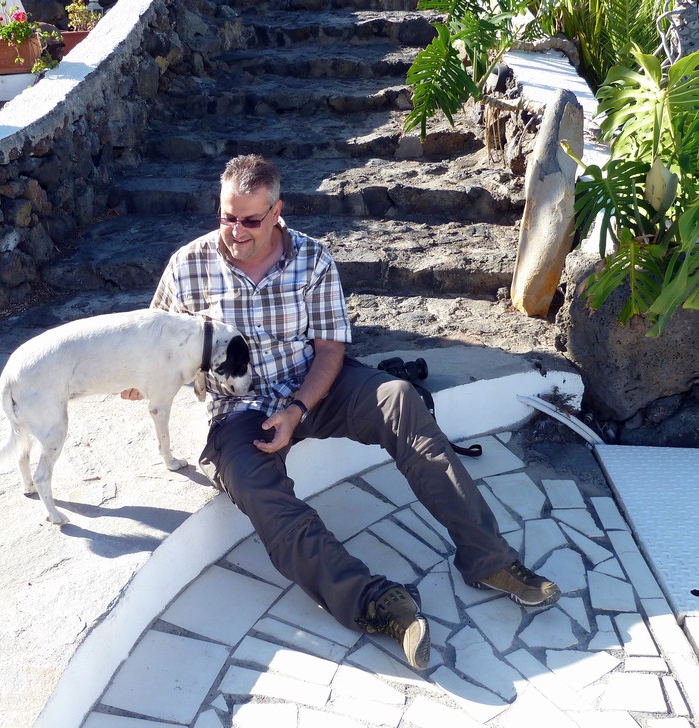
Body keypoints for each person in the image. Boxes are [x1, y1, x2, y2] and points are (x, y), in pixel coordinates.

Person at [129, 154, 560, 670]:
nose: (235, 231)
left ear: (276, 212)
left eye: (249, 220)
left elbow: (331, 350)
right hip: (239, 409)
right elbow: (150, 341)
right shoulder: (188, 265)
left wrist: (296, 408)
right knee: (257, 490)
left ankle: (488, 559)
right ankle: (376, 604)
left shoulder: (312, 259)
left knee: (398, 398)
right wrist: (132, 375)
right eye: (226, 217)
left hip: (314, 385)